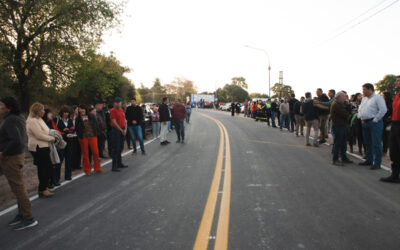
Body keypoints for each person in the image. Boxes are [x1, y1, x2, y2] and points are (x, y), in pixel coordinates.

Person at [0, 97, 38, 230]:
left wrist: (3, 152)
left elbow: (16, 140)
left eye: (1, 105)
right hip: (17, 155)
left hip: (11, 157)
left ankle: (28, 217)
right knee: (17, 186)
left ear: (8, 107)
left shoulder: (10, 120)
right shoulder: (19, 117)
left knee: (18, 187)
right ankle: (22, 214)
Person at [26, 102, 56, 198]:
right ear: (37, 111)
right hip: (38, 147)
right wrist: (51, 138)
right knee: (44, 168)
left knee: (46, 168)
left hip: (44, 146)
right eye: (42, 110)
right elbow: (38, 135)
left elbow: (47, 131)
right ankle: (42, 189)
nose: (43, 111)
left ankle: (44, 187)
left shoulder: (39, 119)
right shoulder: (32, 121)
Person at [357, 83, 387, 170]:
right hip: (365, 122)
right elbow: (360, 108)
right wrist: (360, 117)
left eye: (364, 89)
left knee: (376, 143)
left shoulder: (378, 98)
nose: (363, 91)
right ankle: (369, 159)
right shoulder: (364, 99)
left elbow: (383, 110)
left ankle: (377, 162)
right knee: (367, 142)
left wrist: (375, 119)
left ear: (370, 89)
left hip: (374, 123)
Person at [381, 75, 400, 183]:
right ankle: (395, 175)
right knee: (394, 151)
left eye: (398, 81)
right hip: (395, 124)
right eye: (397, 81)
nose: (396, 83)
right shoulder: (397, 96)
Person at [75, 104, 102, 175]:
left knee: (95, 152)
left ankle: (97, 168)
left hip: (92, 136)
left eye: (83, 109)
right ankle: (87, 170)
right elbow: (77, 128)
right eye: (80, 109)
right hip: (83, 137)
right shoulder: (78, 118)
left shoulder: (91, 116)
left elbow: (96, 125)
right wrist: (80, 135)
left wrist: (97, 133)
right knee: (85, 153)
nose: (82, 110)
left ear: (85, 109)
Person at [330, 92, 354, 166]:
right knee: (338, 143)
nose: (345, 98)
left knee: (343, 143)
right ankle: (335, 159)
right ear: (339, 97)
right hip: (338, 126)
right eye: (344, 96)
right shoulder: (336, 105)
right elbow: (346, 114)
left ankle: (344, 157)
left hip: (342, 125)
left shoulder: (340, 104)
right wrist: (349, 111)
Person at [55, 106, 74, 181]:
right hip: (61, 142)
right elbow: (55, 129)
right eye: (64, 112)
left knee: (69, 159)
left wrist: (70, 130)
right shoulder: (57, 120)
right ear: (61, 113)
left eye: (67, 112)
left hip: (69, 141)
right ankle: (57, 178)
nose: (66, 114)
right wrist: (63, 130)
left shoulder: (70, 120)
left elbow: (73, 128)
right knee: (60, 159)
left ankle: (68, 176)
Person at [110, 97, 128, 171]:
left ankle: (119, 163)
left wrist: (125, 129)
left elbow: (125, 120)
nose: (118, 103)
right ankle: (114, 166)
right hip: (116, 130)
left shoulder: (122, 110)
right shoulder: (113, 110)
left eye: (119, 102)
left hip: (122, 129)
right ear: (114, 103)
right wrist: (121, 130)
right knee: (116, 148)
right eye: (116, 102)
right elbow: (114, 122)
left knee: (120, 147)